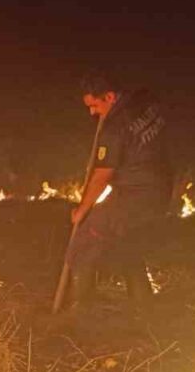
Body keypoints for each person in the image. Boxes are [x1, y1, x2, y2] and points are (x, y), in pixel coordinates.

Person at [61, 74, 173, 310]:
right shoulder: (144, 102)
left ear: (110, 96)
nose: (92, 112)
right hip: (161, 188)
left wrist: (82, 211)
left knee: (83, 241)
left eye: (95, 105)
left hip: (136, 195)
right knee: (128, 244)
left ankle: (80, 311)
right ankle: (145, 310)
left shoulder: (113, 128)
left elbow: (102, 175)